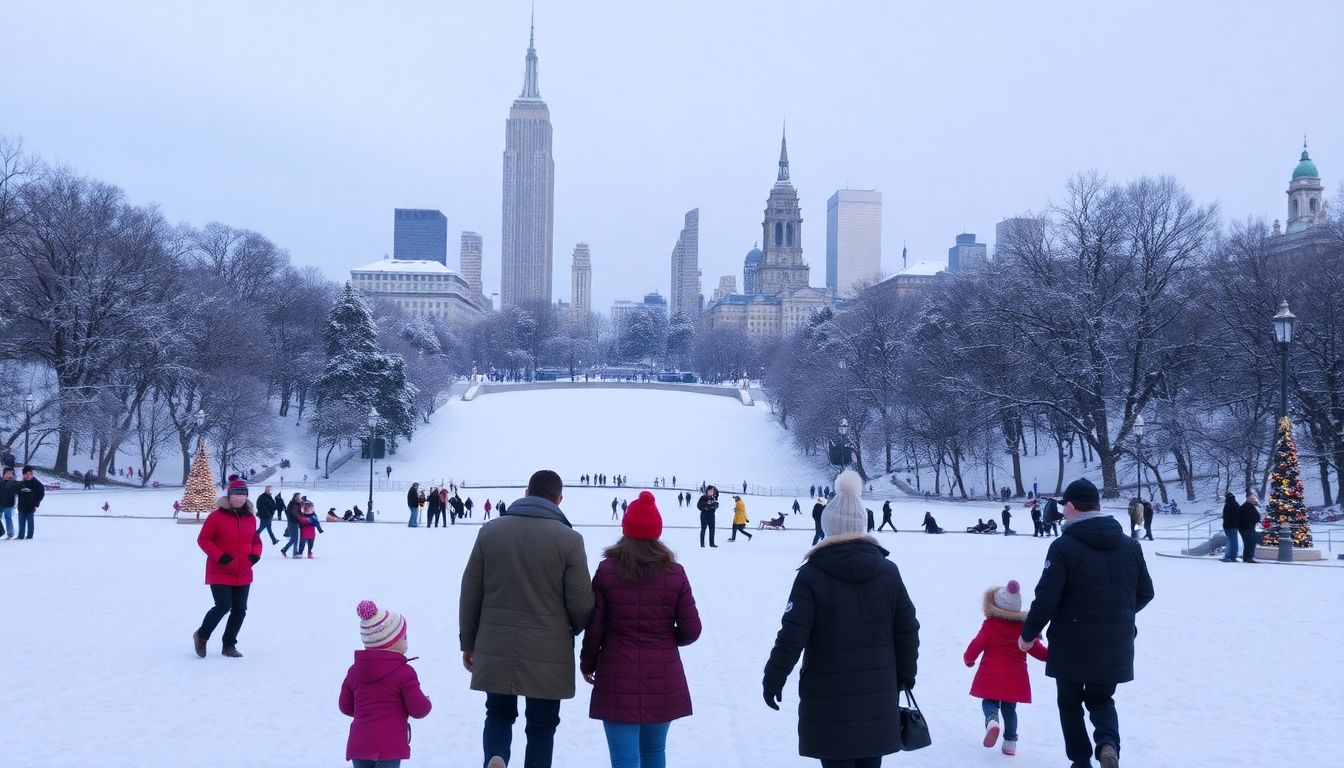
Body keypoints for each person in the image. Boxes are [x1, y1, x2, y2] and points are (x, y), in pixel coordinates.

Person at [763, 469, 920, 767]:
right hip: (878, 691)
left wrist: (774, 678)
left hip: (828, 699)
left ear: (829, 528)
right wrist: (905, 675)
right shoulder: (888, 572)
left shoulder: (811, 574)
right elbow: (908, 629)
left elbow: (791, 635)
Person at [459, 469, 594, 768]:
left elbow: (471, 592)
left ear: (526, 492)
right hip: (549, 645)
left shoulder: (490, 531)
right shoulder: (570, 540)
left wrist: (469, 643)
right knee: (542, 726)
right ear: (559, 500)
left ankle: (496, 756)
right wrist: (571, 627)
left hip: (495, 641)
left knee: (497, 712)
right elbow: (582, 601)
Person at [1019, 478, 1154, 768]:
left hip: (1071, 642)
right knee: (1102, 699)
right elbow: (1145, 593)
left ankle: (1080, 761)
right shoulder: (1130, 546)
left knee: (1069, 703)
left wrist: (1028, 634)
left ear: (1069, 507)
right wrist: (1118, 616)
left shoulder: (1063, 546)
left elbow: (1046, 599)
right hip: (1115, 643)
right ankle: (1107, 743)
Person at [580, 492, 702, 768]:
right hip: (663, 673)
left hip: (615, 672)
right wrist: (666, 639)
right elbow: (692, 629)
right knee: (654, 752)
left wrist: (587, 663)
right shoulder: (675, 572)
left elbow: (595, 626)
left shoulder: (607, 570)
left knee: (624, 758)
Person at [341, 600, 432, 768]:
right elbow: (419, 709)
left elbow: (345, 706)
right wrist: (426, 702)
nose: (406, 640)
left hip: (359, 744)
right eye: (404, 636)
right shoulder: (405, 673)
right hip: (389, 747)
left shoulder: (354, 671)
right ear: (390, 642)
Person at [964, 580, 1048, 756]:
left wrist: (968, 659)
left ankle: (992, 721)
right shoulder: (1025, 628)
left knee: (989, 701)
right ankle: (1010, 742)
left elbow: (977, 644)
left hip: (991, 674)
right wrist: (1053, 656)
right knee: (1010, 710)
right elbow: (1037, 650)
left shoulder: (990, 624)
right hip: (1015, 678)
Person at [192, 478, 262, 658]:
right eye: (237, 494)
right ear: (229, 495)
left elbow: (256, 540)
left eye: (244, 494)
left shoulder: (251, 518)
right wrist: (220, 556)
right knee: (223, 605)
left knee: (240, 610)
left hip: (243, 570)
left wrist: (254, 555)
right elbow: (204, 539)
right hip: (220, 569)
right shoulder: (216, 516)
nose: (240, 497)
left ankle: (229, 645)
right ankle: (202, 635)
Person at [15, 465, 45, 539]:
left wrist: (37, 503)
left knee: (30, 522)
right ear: (24, 475)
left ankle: (29, 536)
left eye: (30, 474)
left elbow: (41, 493)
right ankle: (20, 536)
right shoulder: (21, 483)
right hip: (21, 506)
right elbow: (15, 491)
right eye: (27, 474)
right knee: (21, 522)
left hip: (31, 506)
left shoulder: (36, 483)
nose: (29, 476)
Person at [1239, 491, 1261, 563]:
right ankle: (1249, 557)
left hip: (1247, 527)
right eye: (1252, 497)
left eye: (1254, 497)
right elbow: (1250, 517)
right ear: (1248, 498)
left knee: (1249, 542)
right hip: (1247, 527)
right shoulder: (1247, 506)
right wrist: (1255, 520)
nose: (1253, 499)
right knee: (1250, 542)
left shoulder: (1248, 506)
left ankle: (1247, 557)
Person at [1219, 491, 1241, 562]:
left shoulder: (1227, 505)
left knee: (1231, 541)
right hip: (1234, 526)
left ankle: (1230, 556)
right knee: (1233, 541)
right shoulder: (1236, 504)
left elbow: (1225, 516)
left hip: (1228, 526)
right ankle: (1232, 556)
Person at [280, 493, 303, 557]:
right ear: (295, 497)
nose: (299, 498)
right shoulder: (293, 504)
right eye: (298, 497)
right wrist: (301, 519)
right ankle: (294, 552)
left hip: (294, 522)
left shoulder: (296, 504)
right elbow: (296, 514)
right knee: (294, 539)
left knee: (294, 539)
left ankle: (286, 550)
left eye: (299, 497)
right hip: (293, 523)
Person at [0, 466, 17, 540]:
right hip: (1, 502)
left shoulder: (14, 483)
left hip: (9, 503)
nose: (9, 475)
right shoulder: (1, 482)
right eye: (7, 473)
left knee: (8, 517)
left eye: (10, 473)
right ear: (3, 474)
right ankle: (2, 531)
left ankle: (10, 532)